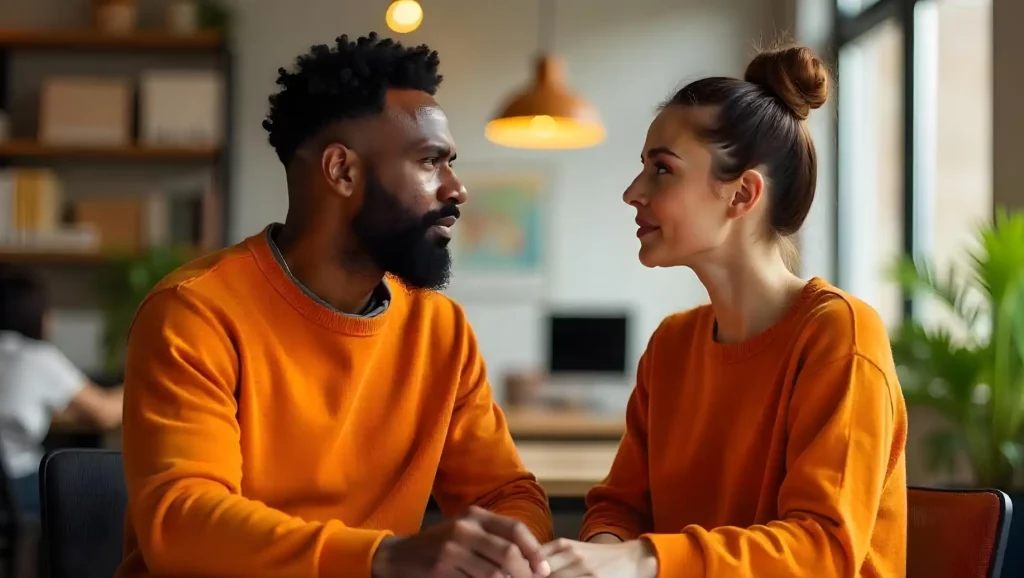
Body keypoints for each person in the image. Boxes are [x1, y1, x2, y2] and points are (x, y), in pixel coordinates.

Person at [115, 33, 553, 578]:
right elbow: (183, 526)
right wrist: (384, 556)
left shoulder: (439, 328)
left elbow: (504, 492)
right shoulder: (196, 313)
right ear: (342, 171)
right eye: (430, 162)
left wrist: (511, 552)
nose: (457, 189)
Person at [540, 45, 908, 577]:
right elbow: (621, 506)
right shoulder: (670, 346)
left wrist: (637, 560)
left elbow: (822, 551)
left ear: (742, 194)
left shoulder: (839, 335)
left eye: (661, 169)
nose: (632, 192)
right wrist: (595, 554)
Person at [0, 265, 123, 518]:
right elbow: (106, 413)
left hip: (7, 487)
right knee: (107, 490)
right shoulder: (36, 357)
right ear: (36, 314)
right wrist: (144, 383)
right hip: (16, 485)